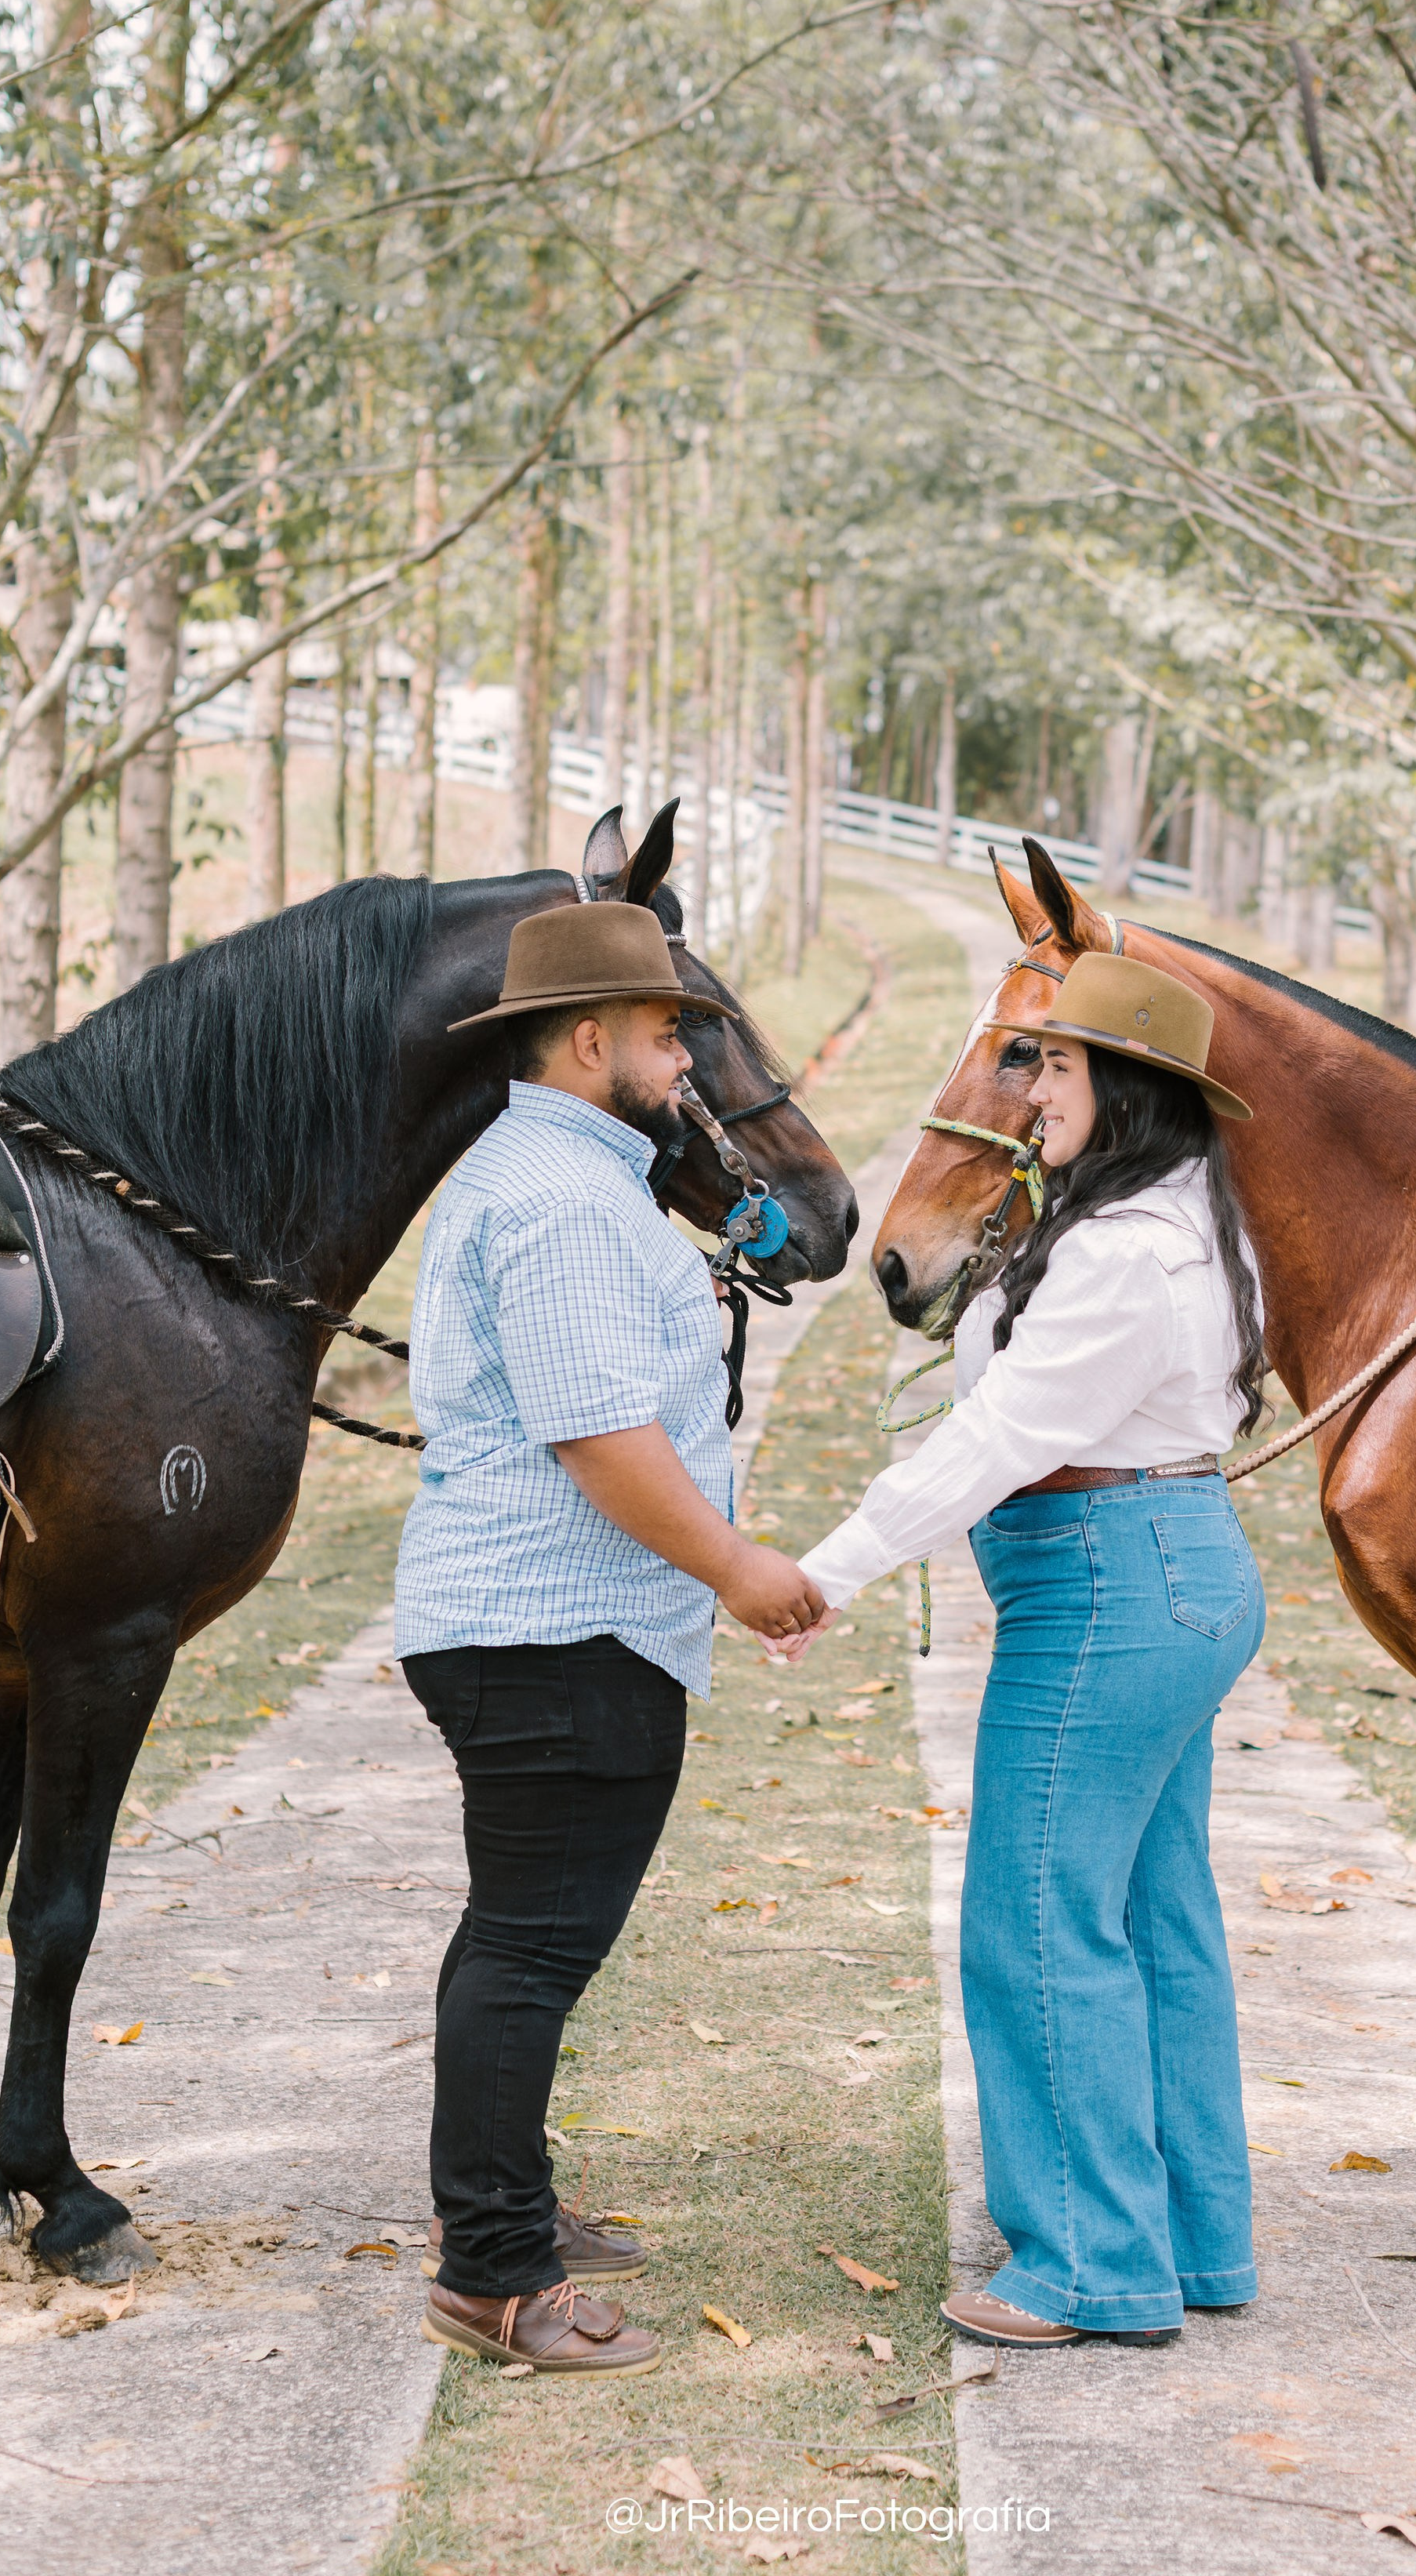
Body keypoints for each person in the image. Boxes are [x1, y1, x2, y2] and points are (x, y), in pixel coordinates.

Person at [775, 952, 1267, 2349]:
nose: (1033, 1091)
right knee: (1156, 1921)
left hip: (1108, 1590)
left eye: (1057, 1066)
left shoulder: (1119, 1255)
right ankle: (1190, 2238)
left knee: (1039, 1921)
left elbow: (996, 1437)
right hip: (1165, 1571)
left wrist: (824, 1571)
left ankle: (1088, 2263)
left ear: (1130, 1091)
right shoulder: (1181, 1219)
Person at [396, 902, 826, 2376]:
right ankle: (494, 2278)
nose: (685, 1058)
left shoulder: (557, 1176)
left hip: (543, 1622)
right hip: (554, 1628)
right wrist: (739, 1569)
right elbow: (598, 1434)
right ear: (590, 1041)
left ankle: (500, 2202)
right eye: (665, 1032)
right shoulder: (566, 1201)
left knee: (517, 1935)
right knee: (530, 1948)